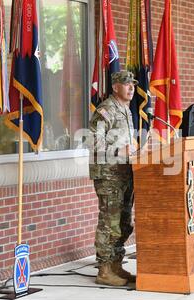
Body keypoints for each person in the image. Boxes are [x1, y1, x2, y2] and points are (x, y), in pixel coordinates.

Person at [87, 70, 138, 286]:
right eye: (126, 84)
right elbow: (93, 142)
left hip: (124, 174)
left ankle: (116, 264)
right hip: (108, 175)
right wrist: (121, 151)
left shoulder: (125, 110)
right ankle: (104, 270)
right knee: (110, 222)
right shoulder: (106, 110)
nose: (131, 88)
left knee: (124, 222)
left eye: (133, 84)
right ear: (116, 87)